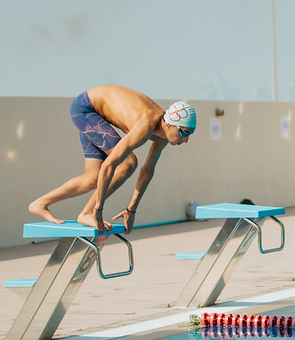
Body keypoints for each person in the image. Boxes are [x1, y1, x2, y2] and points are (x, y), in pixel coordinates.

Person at [28, 85, 196, 233]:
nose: (186, 139)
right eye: (184, 132)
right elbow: (109, 165)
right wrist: (98, 209)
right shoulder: (146, 124)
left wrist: (131, 210)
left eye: (190, 134)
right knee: (128, 163)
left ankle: (39, 204)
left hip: (93, 113)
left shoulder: (163, 135)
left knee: (92, 178)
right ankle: (87, 213)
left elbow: (148, 170)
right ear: (169, 123)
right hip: (85, 109)